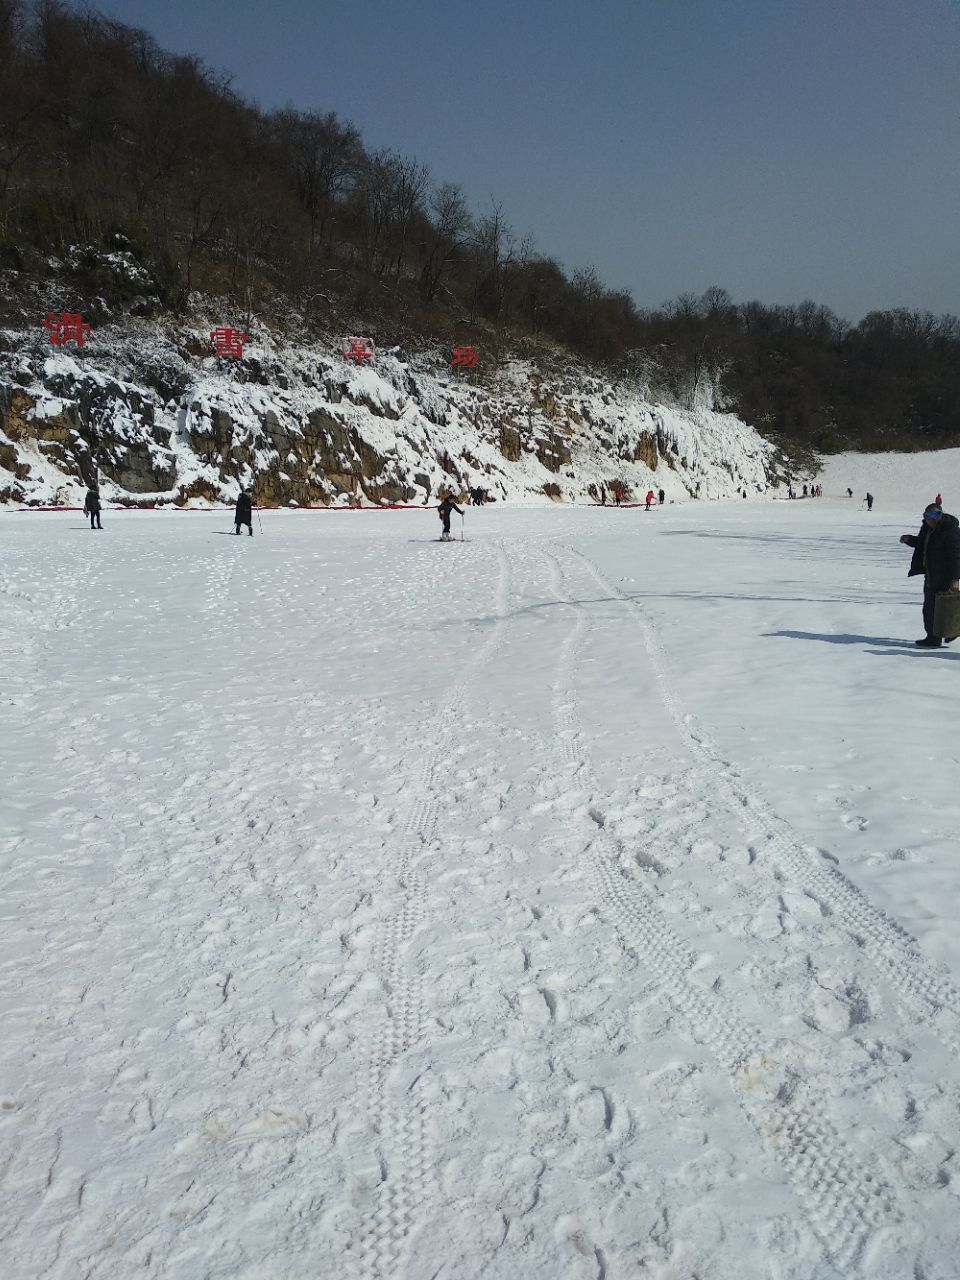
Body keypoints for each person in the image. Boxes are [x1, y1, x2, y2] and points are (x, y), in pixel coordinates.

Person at [899, 503, 960, 647]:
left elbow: (956, 556)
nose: (929, 520)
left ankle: (953, 631)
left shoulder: (951, 531)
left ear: (940, 515)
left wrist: (955, 578)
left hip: (945, 576)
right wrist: (909, 539)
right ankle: (932, 637)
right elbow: (922, 544)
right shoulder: (927, 529)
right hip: (931, 574)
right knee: (929, 608)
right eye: (927, 517)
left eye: (933, 516)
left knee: (946, 607)